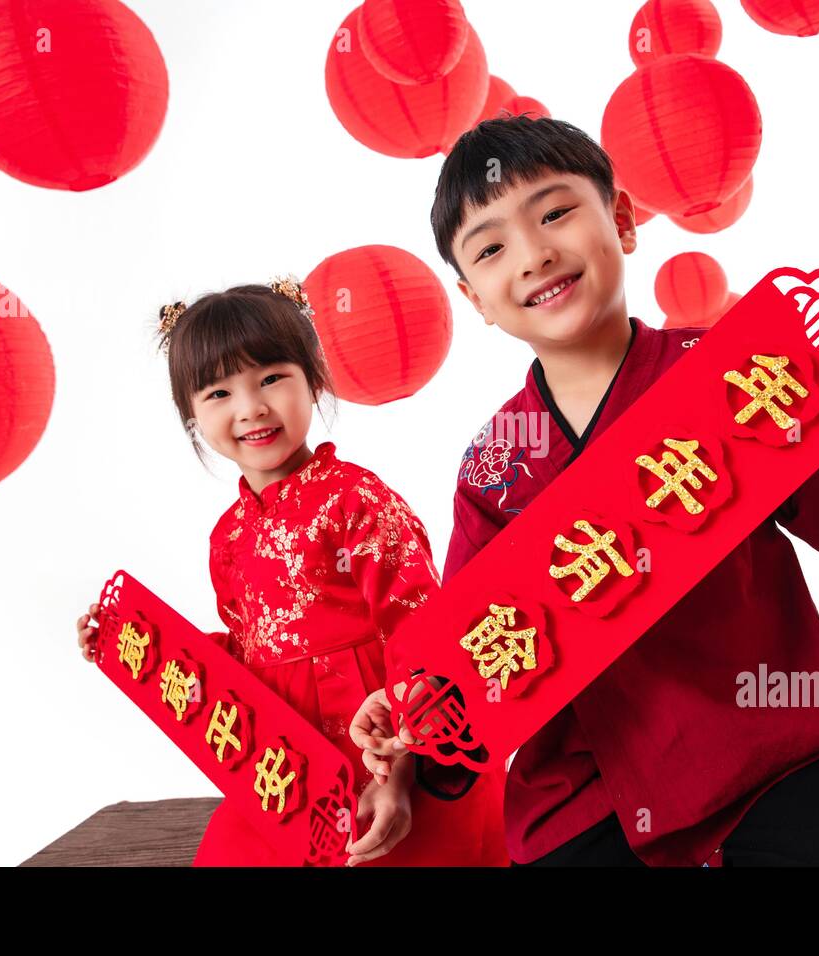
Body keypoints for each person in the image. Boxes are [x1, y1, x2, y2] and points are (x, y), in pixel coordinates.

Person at [356, 115, 819, 866]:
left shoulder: (730, 367)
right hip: (584, 800)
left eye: (557, 213)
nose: (534, 255)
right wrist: (405, 729)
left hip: (772, 747)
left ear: (623, 220)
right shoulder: (495, 465)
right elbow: (470, 648)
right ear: (474, 297)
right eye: (493, 247)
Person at [76, 275, 505, 866]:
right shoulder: (227, 538)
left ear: (315, 381)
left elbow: (423, 632)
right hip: (287, 766)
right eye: (218, 393)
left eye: (272, 378)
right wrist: (135, 642)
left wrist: (400, 765)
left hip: (389, 741)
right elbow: (247, 661)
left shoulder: (356, 499)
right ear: (191, 414)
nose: (251, 408)